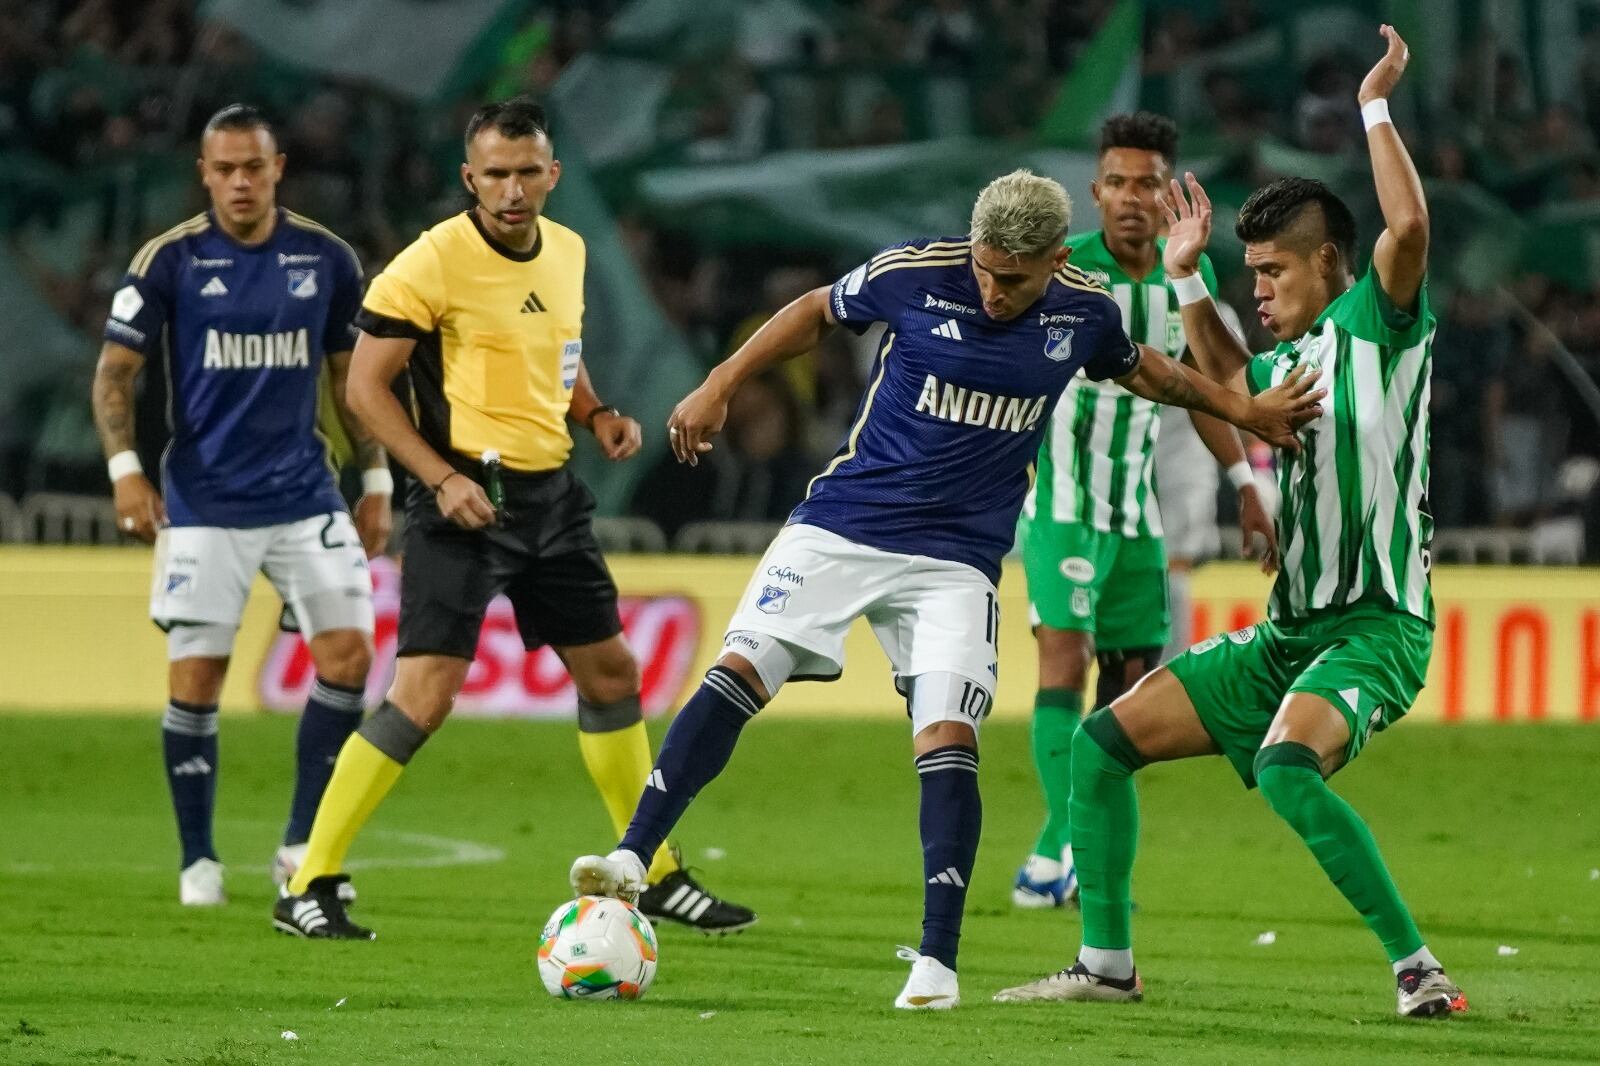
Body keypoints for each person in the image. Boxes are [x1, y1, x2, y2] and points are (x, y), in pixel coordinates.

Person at [569, 168, 1322, 1009]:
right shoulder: (913, 276)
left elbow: (1149, 370)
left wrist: (1244, 413)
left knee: (946, 735)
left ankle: (936, 962)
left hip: (957, 563)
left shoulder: (1082, 312)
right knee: (744, 665)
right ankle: (635, 856)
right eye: (987, 270)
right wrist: (719, 383)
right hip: (844, 525)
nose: (996, 290)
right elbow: (815, 310)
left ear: (1048, 265)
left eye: (1015, 279)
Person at [994, 27, 1469, 1019]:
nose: (1256, 290)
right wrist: (1185, 275)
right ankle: (1106, 964)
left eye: (1269, 273)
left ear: (1327, 263)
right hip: (1291, 634)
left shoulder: (1380, 328)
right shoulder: (1285, 367)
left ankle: (1418, 969)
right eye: (1247, 271)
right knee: (1100, 742)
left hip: (1377, 625)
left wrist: (1373, 106)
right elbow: (1217, 379)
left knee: (1287, 767)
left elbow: (1411, 230)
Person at [271, 98, 754, 939]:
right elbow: (362, 389)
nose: (512, 189)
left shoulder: (566, 251)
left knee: (611, 675)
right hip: (461, 501)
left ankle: (658, 870)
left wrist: (596, 412)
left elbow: (554, 356)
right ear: (470, 178)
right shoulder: (428, 264)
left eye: (528, 172)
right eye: (495, 173)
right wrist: (437, 476)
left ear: (553, 175)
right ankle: (309, 881)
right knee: (422, 696)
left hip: (550, 498)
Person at [90, 104, 390, 906]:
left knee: (349, 662)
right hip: (204, 503)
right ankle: (198, 860)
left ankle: (302, 847)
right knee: (196, 679)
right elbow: (115, 374)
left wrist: (377, 481)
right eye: (224, 169)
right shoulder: (170, 261)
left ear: (278, 167)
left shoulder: (326, 258)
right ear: (205, 174)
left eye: (253, 166)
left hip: (304, 494)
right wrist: (125, 469)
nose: (240, 182)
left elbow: (349, 381)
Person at [1012, 112, 1277, 909]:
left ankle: (1079, 847)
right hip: (1062, 502)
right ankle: (1057, 843)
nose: (1132, 198)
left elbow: (1198, 390)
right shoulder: (1059, 274)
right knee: (1062, 659)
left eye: (1148, 183)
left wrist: (1244, 486)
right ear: (1095, 194)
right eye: (1118, 183)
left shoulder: (1177, 284)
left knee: (1128, 687)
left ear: (1170, 193)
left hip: (1138, 515)